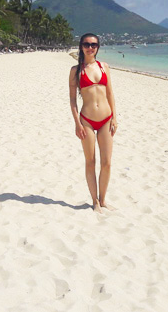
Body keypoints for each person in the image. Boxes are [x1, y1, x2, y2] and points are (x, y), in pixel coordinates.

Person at [69, 33, 117, 214]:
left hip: (106, 119)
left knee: (107, 163)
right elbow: (73, 100)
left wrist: (114, 117)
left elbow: (110, 93)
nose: (91, 47)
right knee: (90, 162)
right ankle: (95, 201)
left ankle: (103, 200)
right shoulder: (76, 71)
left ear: (98, 47)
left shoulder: (104, 67)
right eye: (87, 44)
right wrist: (77, 123)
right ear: (81, 46)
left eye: (94, 44)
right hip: (86, 121)